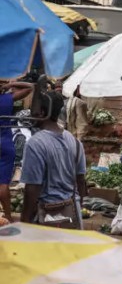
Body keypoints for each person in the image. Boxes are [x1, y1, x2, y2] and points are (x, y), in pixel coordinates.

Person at [20, 91, 87, 230]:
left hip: (47, 216)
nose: (31, 113)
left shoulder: (35, 143)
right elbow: (81, 180)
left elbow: (32, 188)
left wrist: (24, 221)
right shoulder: (74, 141)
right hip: (71, 213)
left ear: (42, 112)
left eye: (34, 108)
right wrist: (80, 206)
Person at [0, 81, 33, 222]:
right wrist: (11, 84)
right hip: (5, 144)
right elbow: (30, 87)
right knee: (3, 184)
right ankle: (7, 216)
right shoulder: (7, 99)